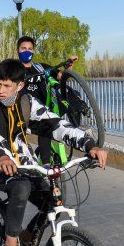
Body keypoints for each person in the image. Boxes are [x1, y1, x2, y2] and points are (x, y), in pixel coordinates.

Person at [0, 59, 108, 246]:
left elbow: (56, 125)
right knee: (21, 187)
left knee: (52, 200)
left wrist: (89, 145)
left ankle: (26, 238)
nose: (1, 90)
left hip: (24, 163)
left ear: (20, 86)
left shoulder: (27, 102)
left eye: (7, 86)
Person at [16, 36, 78, 165]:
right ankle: (45, 163)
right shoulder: (14, 70)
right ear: (18, 50)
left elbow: (61, 76)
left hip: (48, 107)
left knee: (73, 96)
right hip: (27, 113)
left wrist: (69, 65)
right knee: (45, 125)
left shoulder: (40, 67)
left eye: (30, 49)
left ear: (33, 51)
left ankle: (78, 131)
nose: (27, 51)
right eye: (24, 48)